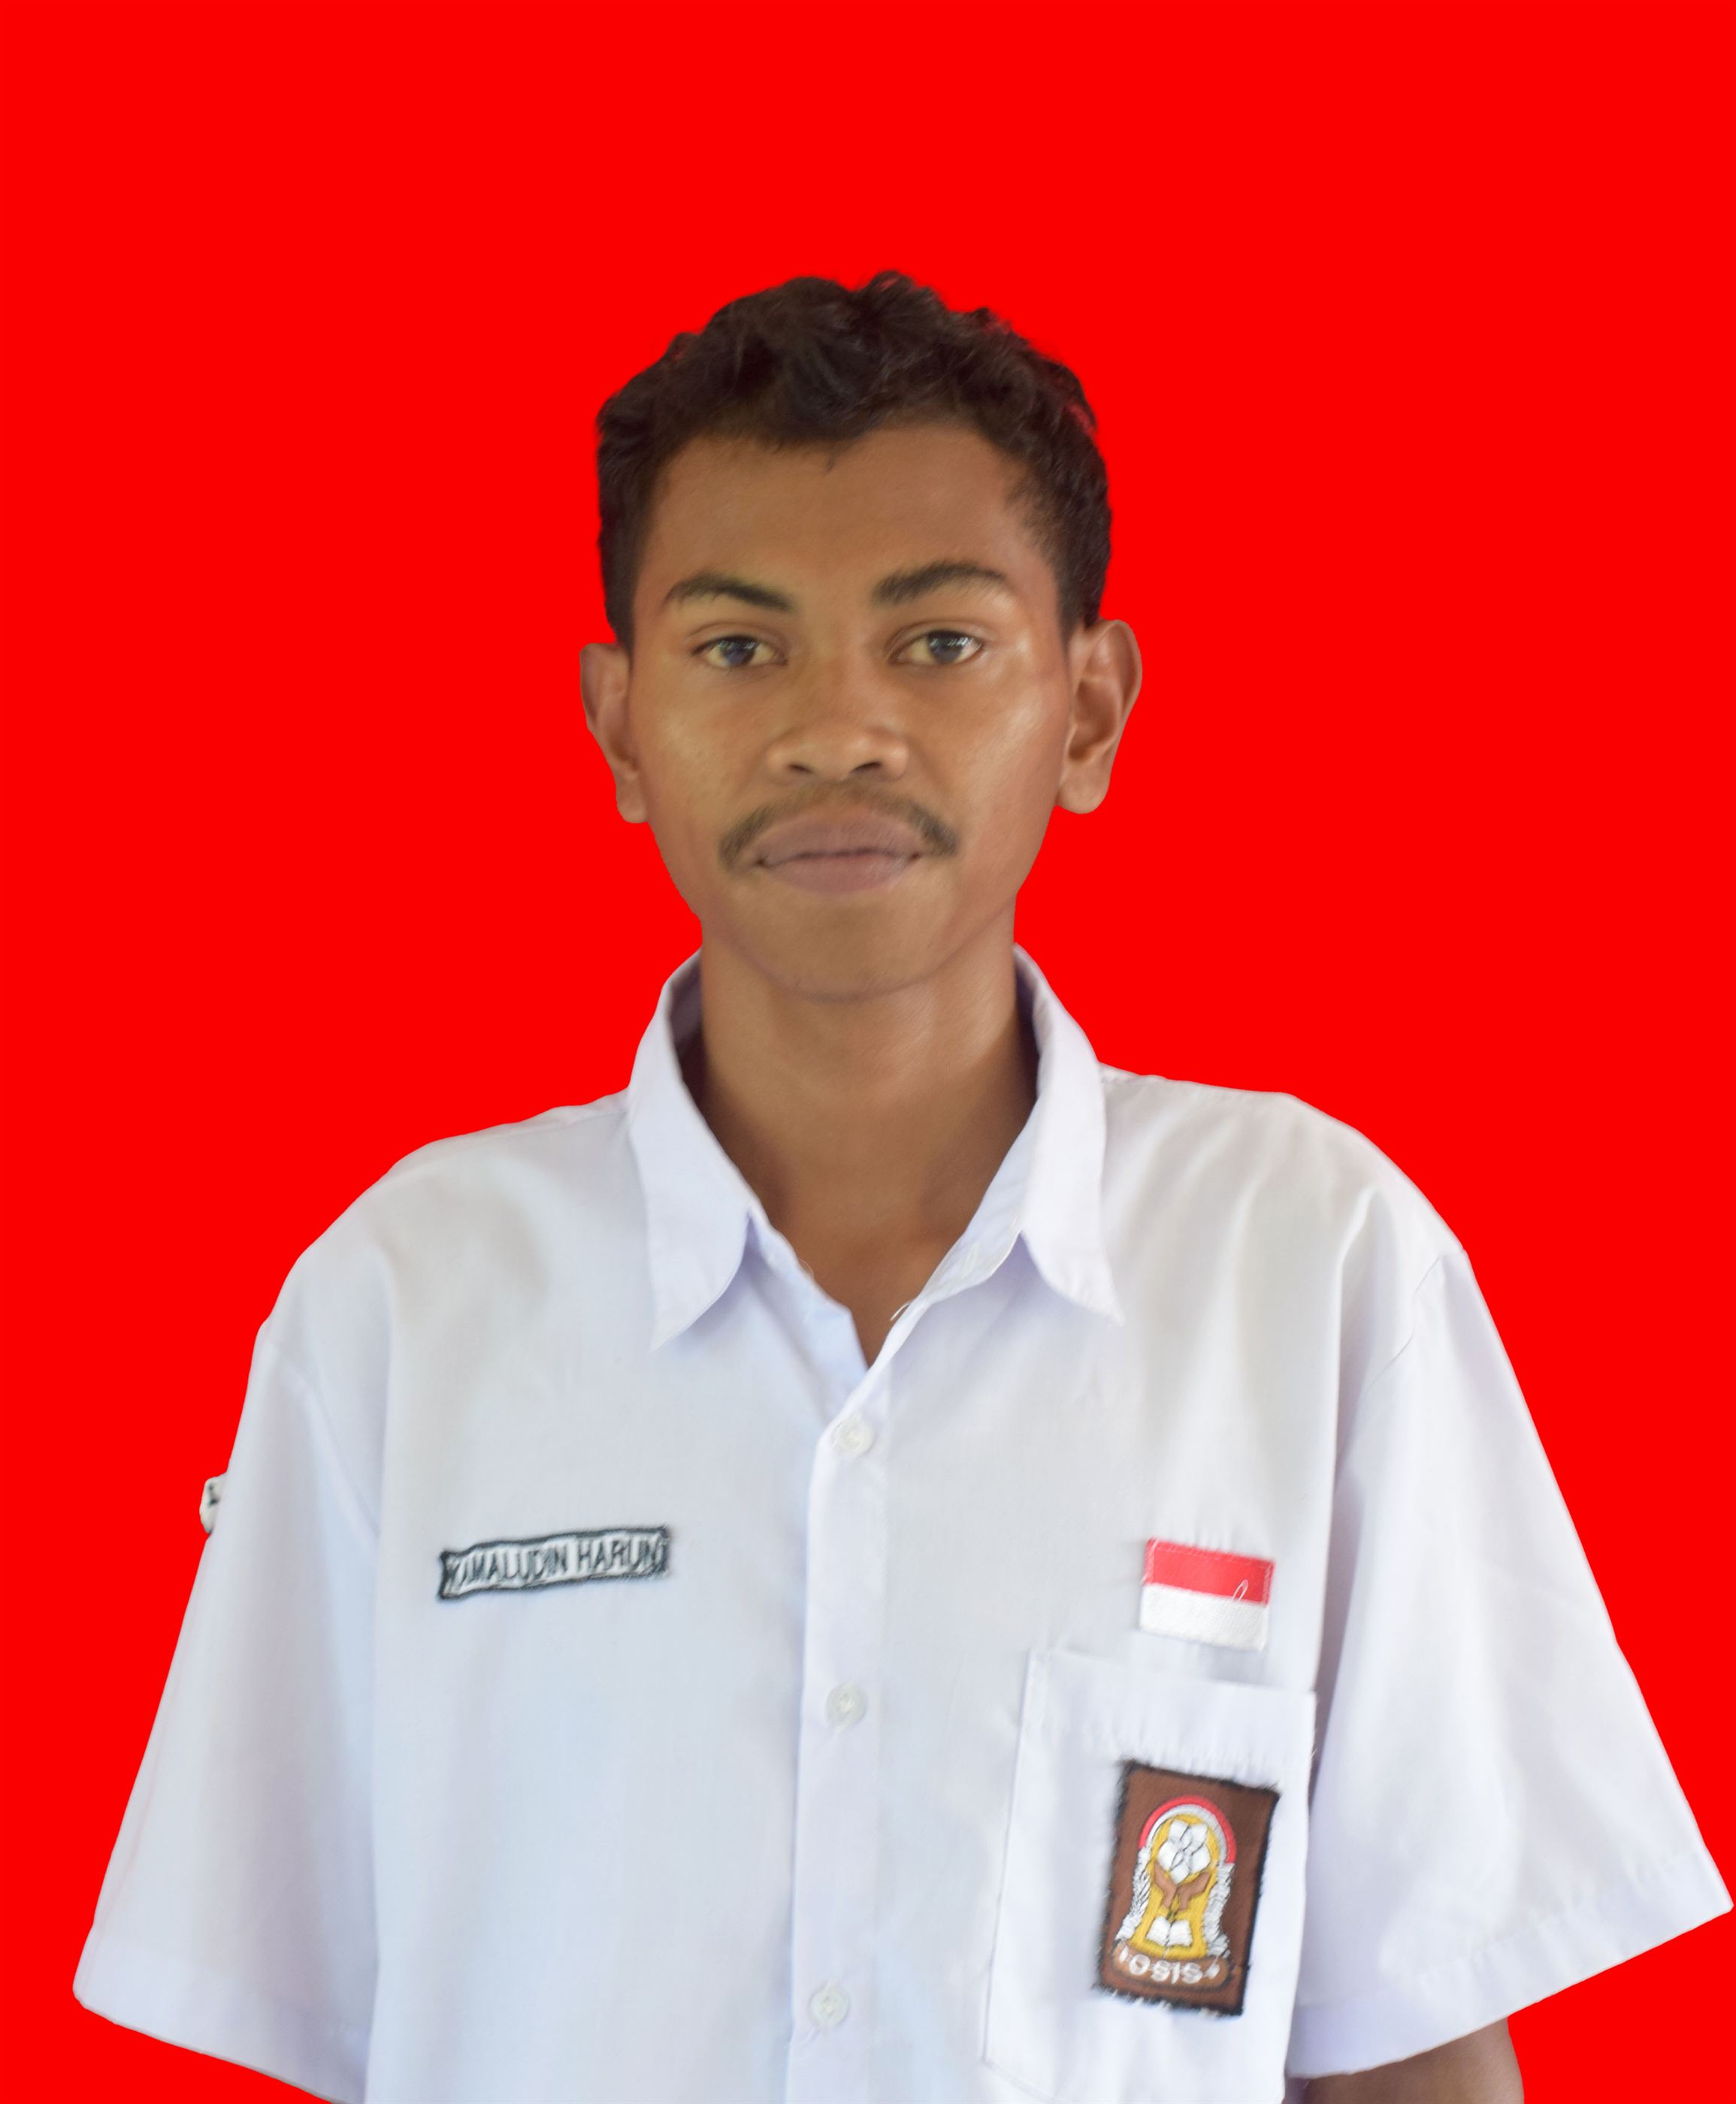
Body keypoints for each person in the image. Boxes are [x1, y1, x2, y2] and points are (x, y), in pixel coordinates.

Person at [72, 270, 1727, 2104]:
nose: (838, 729)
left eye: (938, 641)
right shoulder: (407, 1298)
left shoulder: (1311, 1260)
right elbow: (293, 2014)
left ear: (1087, 709)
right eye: (738, 647)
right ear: (618, 724)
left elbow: (1416, 2041)